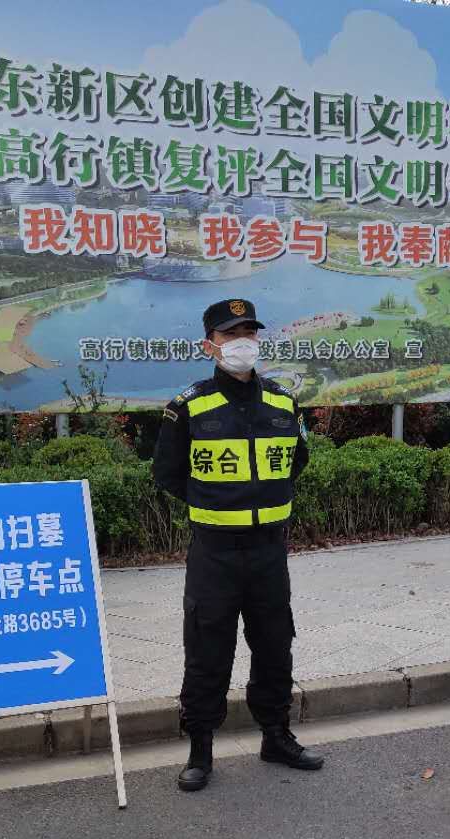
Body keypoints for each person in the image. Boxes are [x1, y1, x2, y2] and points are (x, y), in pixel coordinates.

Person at [153, 298, 325, 792]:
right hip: (215, 553)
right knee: (207, 650)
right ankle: (200, 748)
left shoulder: (283, 402)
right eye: (230, 334)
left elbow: (296, 460)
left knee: (275, 646)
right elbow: (167, 473)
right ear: (209, 345)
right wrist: (217, 503)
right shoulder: (188, 406)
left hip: (270, 550)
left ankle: (276, 736)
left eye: (249, 332)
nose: (242, 342)